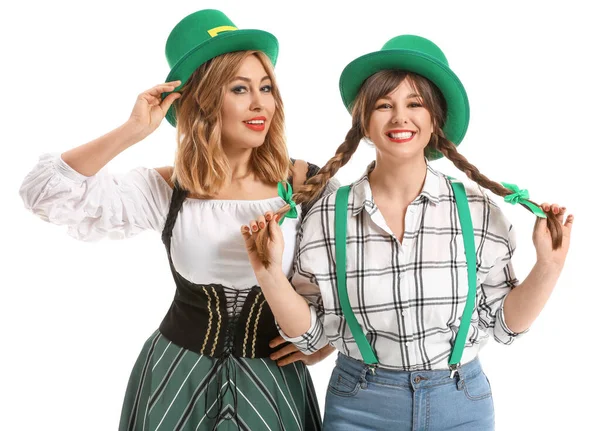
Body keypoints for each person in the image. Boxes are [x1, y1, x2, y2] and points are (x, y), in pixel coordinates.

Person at [19, 9, 333, 431]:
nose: (261, 103)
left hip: (273, 381)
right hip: (175, 376)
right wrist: (132, 130)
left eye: (266, 87)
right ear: (203, 100)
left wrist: (326, 343)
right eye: (239, 88)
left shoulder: (306, 184)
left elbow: (353, 280)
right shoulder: (169, 189)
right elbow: (43, 192)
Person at [241, 35, 573, 430]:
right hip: (359, 404)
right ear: (365, 121)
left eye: (415, 104)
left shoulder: (477, 211)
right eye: (385, 105)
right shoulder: (330, 213)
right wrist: (269, 275)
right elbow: (311, 338)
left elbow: (504, 326)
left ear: (435, 119)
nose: (400, 117)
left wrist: (548, 267)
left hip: (460, 405)